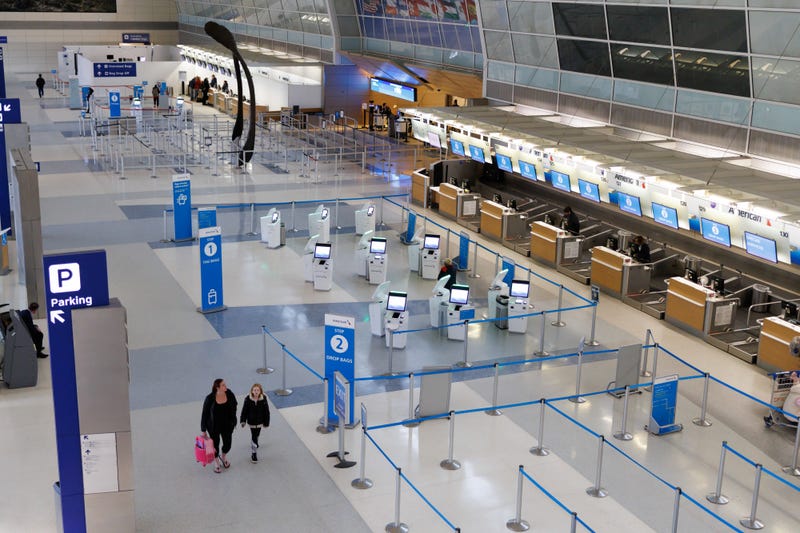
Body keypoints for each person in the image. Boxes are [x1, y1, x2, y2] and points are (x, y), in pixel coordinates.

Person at [201, 378, 238, 473]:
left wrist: (233, 419)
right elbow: (204, 414)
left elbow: (235, 404)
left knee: (228, 444)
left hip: (227, 425)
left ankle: (223, 456)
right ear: (217, 388)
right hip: (214, 427)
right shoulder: (210, 398)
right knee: (215, 445)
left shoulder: (229, 393)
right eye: (223, 385)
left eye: (225, 384)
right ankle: (217, 462)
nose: (226, 386)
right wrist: (203, 429)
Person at [240, 383, 270, 463]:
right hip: (252, 422)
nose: (256, 391)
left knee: (257, 434)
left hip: (260, 421)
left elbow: (266, 411)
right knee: (254, 435)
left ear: (260, 391)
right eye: (254, 390)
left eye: (258, 390)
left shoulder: (264, 399)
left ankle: (255, 442)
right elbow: (244, 411)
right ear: (252, 391)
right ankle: (254, 453)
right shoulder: (247, 399)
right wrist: (243, 421)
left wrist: (266, 422)